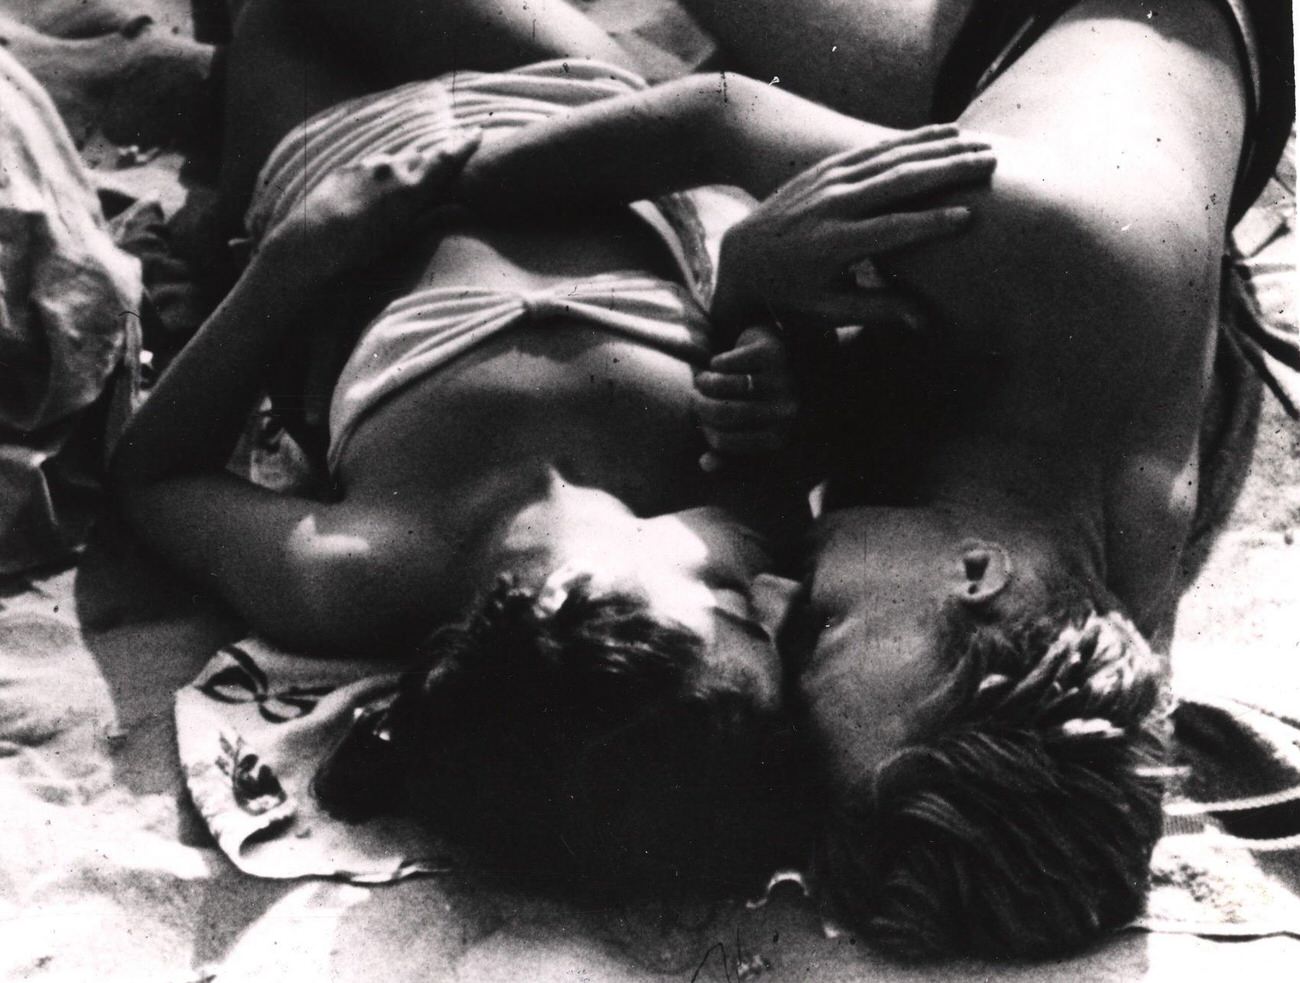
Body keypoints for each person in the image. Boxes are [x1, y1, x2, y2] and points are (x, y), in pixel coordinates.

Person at [109, 0, 991, 894]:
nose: (769, 594)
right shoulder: (730, 513)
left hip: (336, 158)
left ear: (570, 602)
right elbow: (761, 317)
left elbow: (152, 478)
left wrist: (294, 260)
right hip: (584, 115)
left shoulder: (366, 567)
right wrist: (760, 344)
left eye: (729, 608)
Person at [669, 0, 1292, 957]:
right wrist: (746, 271)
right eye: (821, 630)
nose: (777, 591)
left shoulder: (1061, 637)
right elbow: (715, 115)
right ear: (973, 575)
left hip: (1150, 112)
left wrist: (769, 333)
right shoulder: (1015, 246)